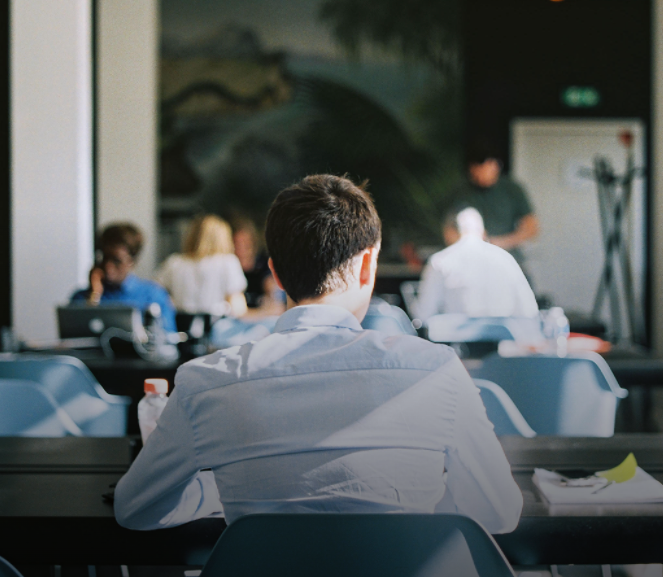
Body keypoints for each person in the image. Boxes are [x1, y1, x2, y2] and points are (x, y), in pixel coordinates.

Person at [113, 174, 522, 534]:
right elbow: (499, 513)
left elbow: (134, 508)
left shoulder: (204, 383)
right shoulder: (436, 372)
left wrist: (214, 490)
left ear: (275, 273)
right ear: (367, 267)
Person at [413, 207, 539, 321]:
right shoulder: (506, 258)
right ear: (483, 232)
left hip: (457, 342)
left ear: (449, 231)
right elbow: (528, 310)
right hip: (504, 340)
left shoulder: (439, 261)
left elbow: (424, 314)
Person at [70, 222, 176, 337]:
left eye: (116, 261)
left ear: (132, 261)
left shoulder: (153, 295)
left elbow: (168, 341)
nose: (107, 266)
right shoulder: (82, 297)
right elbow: (75, 338)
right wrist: (94, 295)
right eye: (104, 258)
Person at [449, 140, 540, 258]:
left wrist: (500, 242)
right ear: (472, 168)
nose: (488, 173)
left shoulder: (512, 189)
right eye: (481, 168)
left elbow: (531, 227)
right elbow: (448, 228)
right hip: (471, 260)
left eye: (491, 166)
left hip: (507, 257)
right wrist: (468, 242)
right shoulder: (461, 192)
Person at [155, 215, 248, 317]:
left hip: (180, 326)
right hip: (215, 326)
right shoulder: (227, 262)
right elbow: (239, 310)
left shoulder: (174, 263)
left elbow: (155, 291)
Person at [230, 216, 284, 314]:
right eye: (237, 244)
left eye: (246, 245)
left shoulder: (264, 266)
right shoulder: (229, 268)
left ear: (253, 244)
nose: (241, 250)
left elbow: (276, 304)